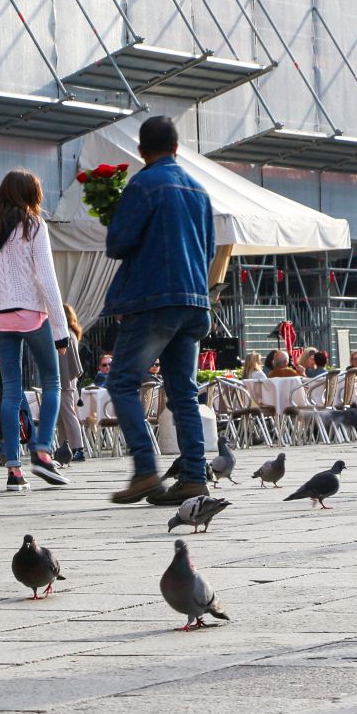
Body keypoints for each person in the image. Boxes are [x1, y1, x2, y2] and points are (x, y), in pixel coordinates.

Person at [105, 116, 216, 507]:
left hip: (155, 299)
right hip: (195, 300)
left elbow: (118, 242)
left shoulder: (143, 184)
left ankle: (145, 469)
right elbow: (209, 250)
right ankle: (193, 477)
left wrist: (112, 217)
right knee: (183, 392)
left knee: (121, 382)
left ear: (140, 150)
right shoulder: (200, 190)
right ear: (176, 146)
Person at [0, 169, 71, 491]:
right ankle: (42, 451)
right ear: (31, 194)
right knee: (53, 382)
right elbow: (47, 278)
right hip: (33, 315)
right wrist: (61, 327)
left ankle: (13, 469)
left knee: (11, 390)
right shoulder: (33, 225)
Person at [57, 304, 87, 463]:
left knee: (68, 415)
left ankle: (78, 448)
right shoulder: (70, 333)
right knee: (63, 417)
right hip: (66, 379)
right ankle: (65, 448)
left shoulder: (66, 334)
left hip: (64, 379)